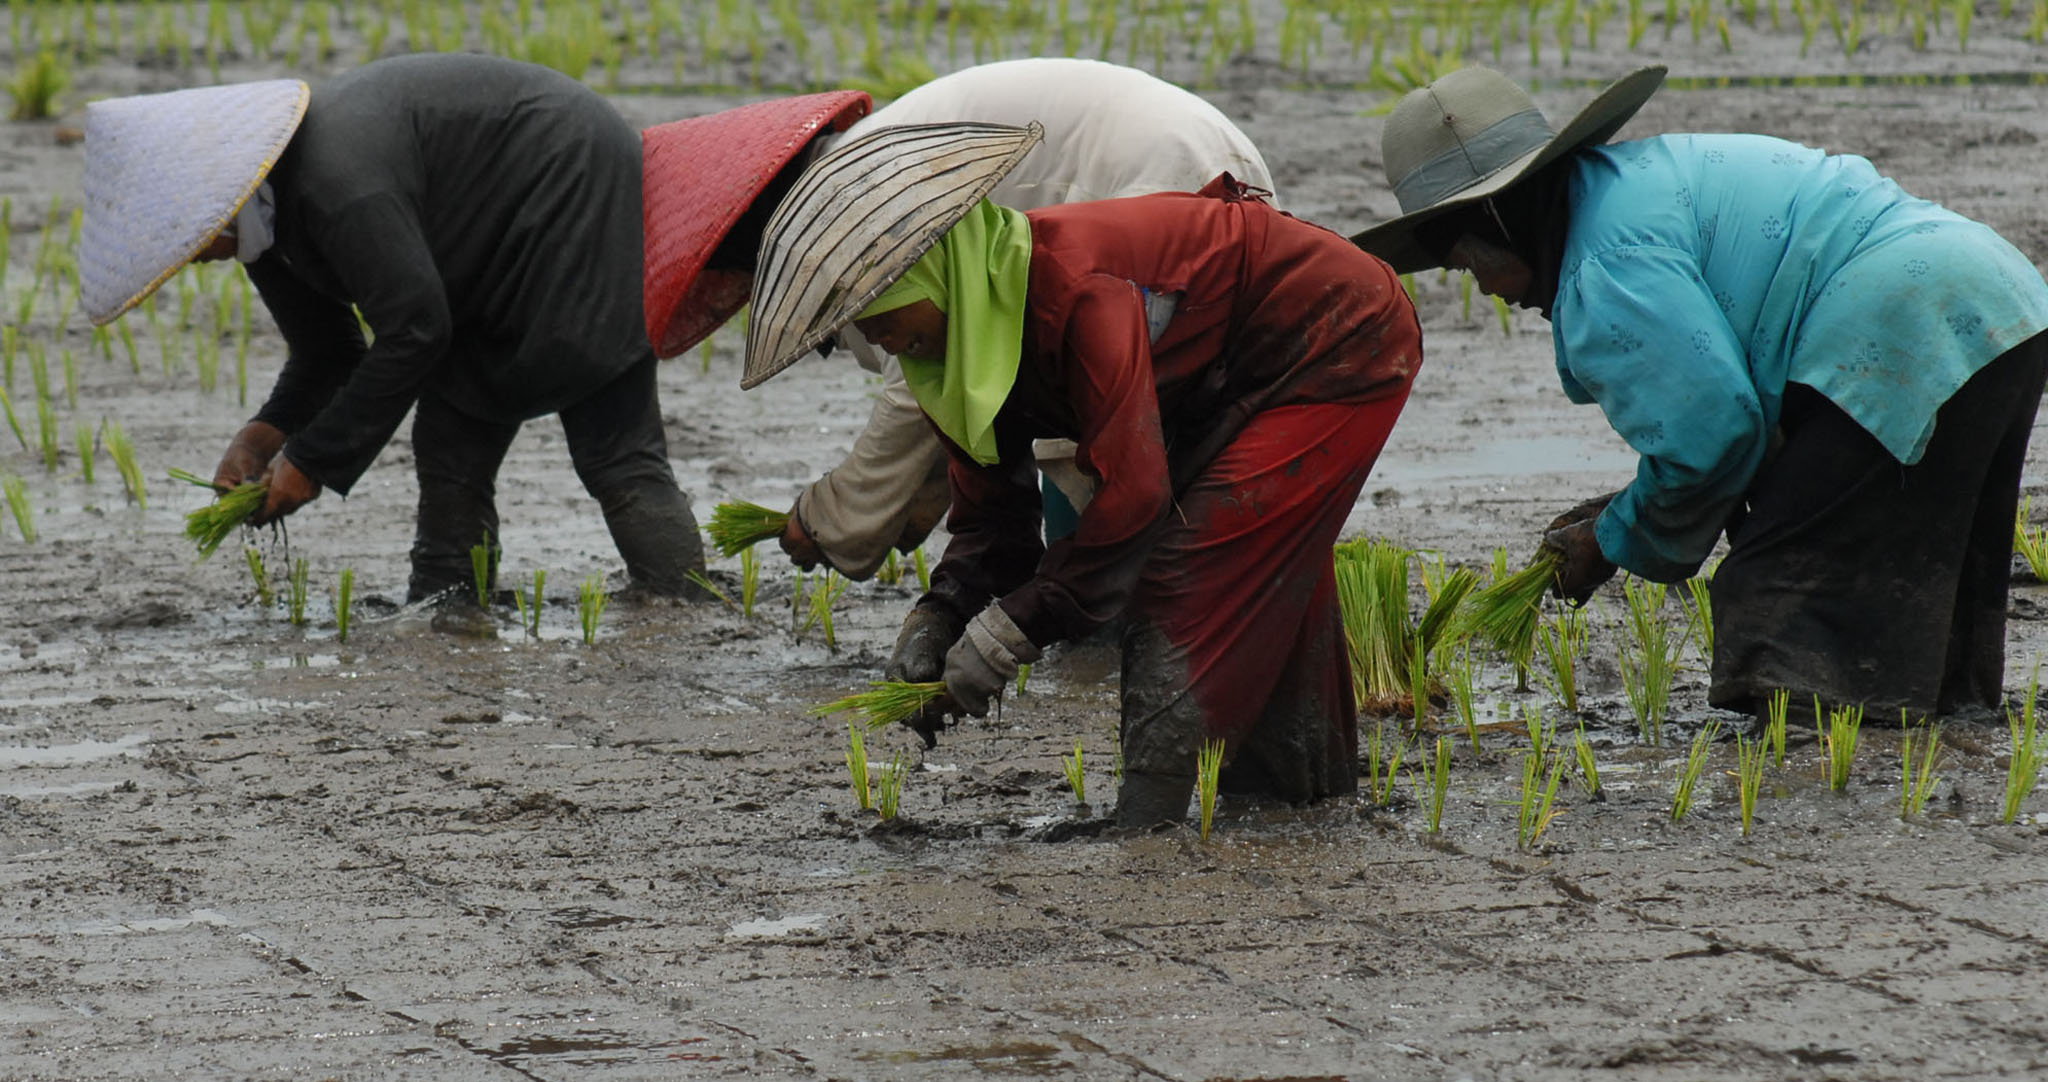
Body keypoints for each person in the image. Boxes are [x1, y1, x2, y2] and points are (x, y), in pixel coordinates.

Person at [741, 124, 1422, 827]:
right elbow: (994, 520)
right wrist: (939, 618)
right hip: (1220, 380)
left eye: (877, 313)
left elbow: (1133, 497)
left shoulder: (1070, 285)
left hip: (1334, 337)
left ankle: (1146, 818)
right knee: (1261, 569)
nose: (874, 338)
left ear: (929, 271)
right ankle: (1302, 798)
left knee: (1182, 569)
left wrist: (1010, 632)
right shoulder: (947, 358)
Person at [1355, 65, 2048, 718]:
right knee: (1929, 554)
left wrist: (1611, 539)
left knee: (1782, 595)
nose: (1489, 292)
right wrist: (1631, 504)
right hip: (1997, 301)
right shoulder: (1629, 185)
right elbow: (1736, 426)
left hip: (1901, 318)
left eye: (1470, 265)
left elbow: (1715, 435)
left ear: (1499, 221)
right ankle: (1948, 711)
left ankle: (1823, 757)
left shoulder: (1603, 268)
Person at [81, 54, 704, 603]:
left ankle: (681, 609)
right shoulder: (265, 222)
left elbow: (417, 329)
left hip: (573, 194)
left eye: (183, 243)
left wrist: (313, 462)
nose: (188, 258)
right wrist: (262, 439)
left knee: (613, 445)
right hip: (480, 255)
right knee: (450, 441)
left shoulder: (335, 187)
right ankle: (450, 606)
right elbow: (329, 352)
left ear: (210, 207)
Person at [639, 60, 1276, 581]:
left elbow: (916, 384)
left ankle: (1112, 610)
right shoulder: (856, 163)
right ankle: (1144, 598)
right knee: (1160, 420)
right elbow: (965, 378)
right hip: (1203, 158)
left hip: (1156, 180)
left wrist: (836, 519)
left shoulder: (846, 198)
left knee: (1094, 422)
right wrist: (922, 501)